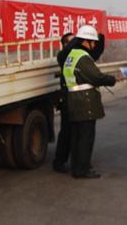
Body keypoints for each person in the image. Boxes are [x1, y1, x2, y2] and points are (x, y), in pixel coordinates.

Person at [63, 25, 116, 179]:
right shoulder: (83, 57)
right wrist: (111, 79)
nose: (94, 45)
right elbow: (96, 77)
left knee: (76, 137)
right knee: (86, 137)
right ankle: (83, 169)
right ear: (86, 42)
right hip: (85, 101)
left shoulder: (71, 55)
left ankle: (77, 167)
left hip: (74, 100)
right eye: (93, 42)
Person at [52, 32, 75, 173]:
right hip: (67, 99)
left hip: (78, 99)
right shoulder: (63, 56)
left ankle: (77, 161)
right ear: (65, 44)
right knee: (66, 132)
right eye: (72, 41)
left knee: (76, 133)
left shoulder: (77, 56)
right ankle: (59, 161)